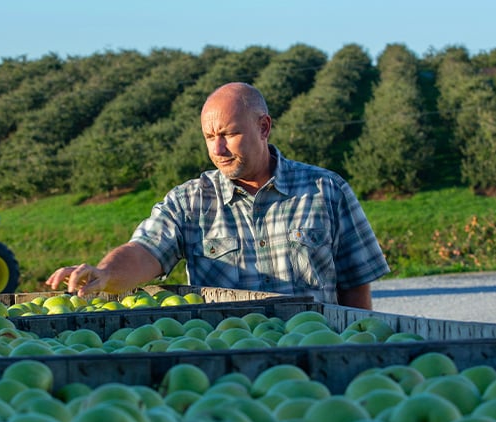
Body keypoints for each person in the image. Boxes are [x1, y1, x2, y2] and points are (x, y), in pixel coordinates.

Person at [46, 82, 389, 309]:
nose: (219, 148)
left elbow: (355, 288)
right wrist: (106, 273)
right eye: (210, 137)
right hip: (226, 364)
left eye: (229, 134)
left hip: (315, 356)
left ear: (264, 127)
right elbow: (144, 250)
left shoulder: (325, 191)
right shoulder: (190, 202)